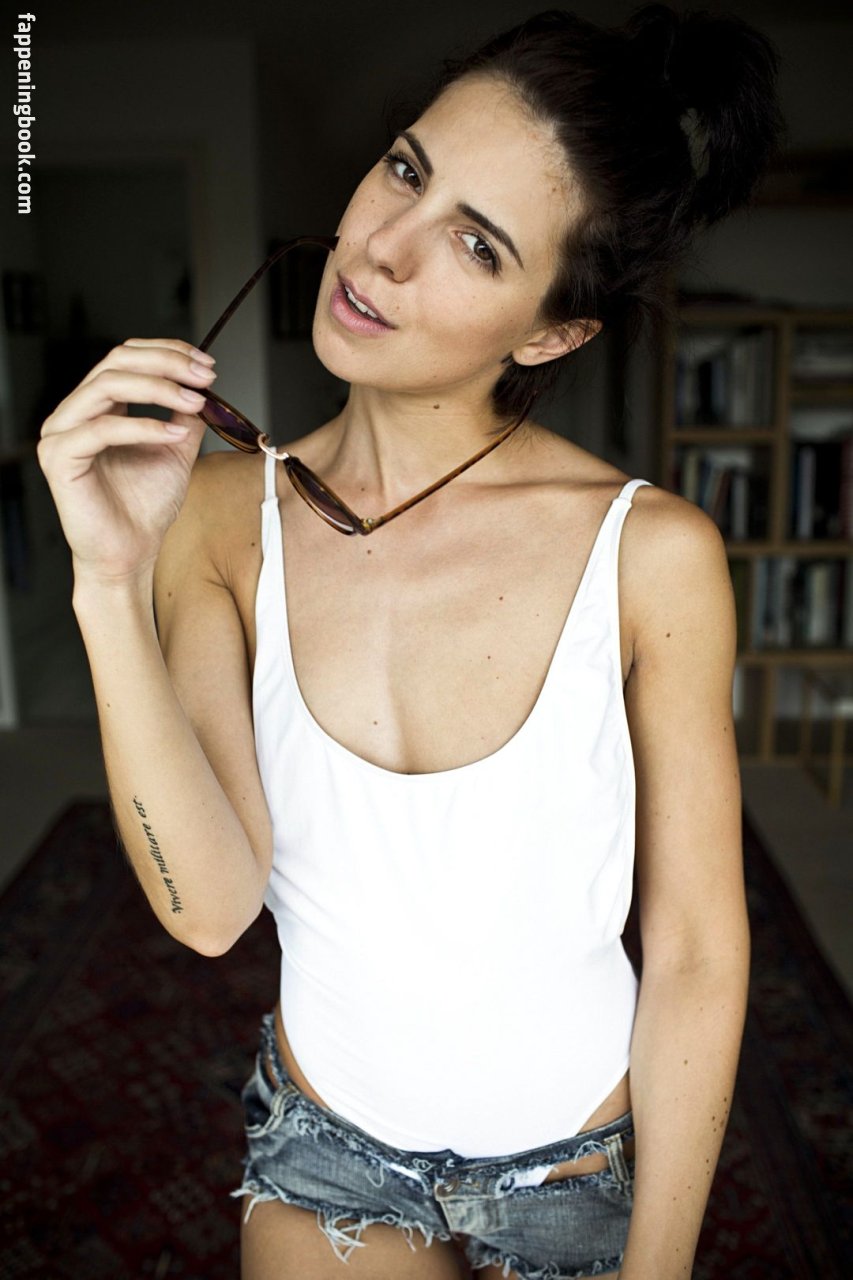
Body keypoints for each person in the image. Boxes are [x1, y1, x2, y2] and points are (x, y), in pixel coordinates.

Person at [38, 5, 785, 1278]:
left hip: (577, 1168)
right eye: (403, 168)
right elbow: (209, 908)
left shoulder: (649, 554)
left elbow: (700, 951)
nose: (381, 249)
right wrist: (107, 580)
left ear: (550, 331)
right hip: (328, 1154)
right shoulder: (214, 516)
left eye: (476, 244)